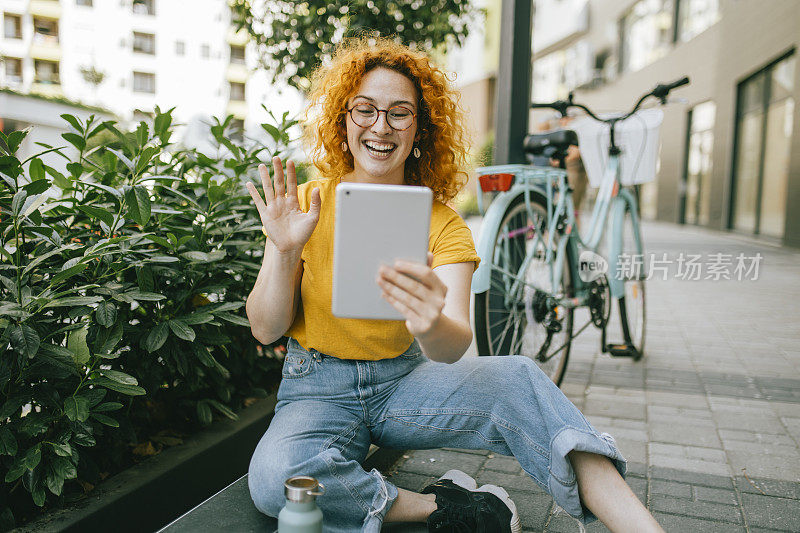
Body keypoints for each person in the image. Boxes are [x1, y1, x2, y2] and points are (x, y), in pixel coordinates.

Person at [245, 38, 664, 533]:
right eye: (365, 110)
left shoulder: (443, 224)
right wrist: (286, 249)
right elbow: (266, 328)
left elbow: (453, 345)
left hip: (402, 384)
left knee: (519, 380)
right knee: (277, 480)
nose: (381, 126)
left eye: (400, 113)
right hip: (316, 387)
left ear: (420, 128)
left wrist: (429, 322)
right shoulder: (305, 204)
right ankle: (443, 505)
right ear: (344, 120)